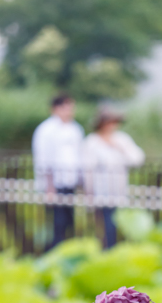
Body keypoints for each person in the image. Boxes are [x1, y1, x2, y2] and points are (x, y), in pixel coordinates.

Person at [82, 109, 145, 248]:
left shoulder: (122, 139)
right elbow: (88, 169)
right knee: (105, 225)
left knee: (118, 224)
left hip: (119, 191)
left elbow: (138, 159)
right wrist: (89, 192)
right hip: (101, 192)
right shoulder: (92, 142)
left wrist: (119, 148)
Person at [32, 93, 84, 248]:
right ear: (55, 109)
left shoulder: (75, 129)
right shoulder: (46, 129)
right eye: (66, 107)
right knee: (57, 222)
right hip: (54, 183)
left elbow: (79, 156)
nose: (70, 111)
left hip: (70, 181)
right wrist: (49, 187)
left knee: (69, 220)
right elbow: (43, 158)